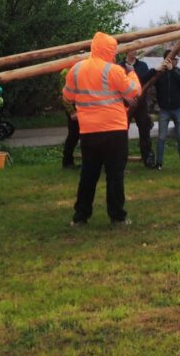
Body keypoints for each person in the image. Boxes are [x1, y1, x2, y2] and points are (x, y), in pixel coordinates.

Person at [63, 32, 139, 225]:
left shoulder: (76, 69)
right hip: (114, 130)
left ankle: (80, 217)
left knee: (88, 175)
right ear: (109, 50)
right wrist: (132, 74)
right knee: (115, 175)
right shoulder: (113, 70)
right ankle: (117, 216)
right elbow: (132, 91)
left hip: (89, 131)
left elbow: (68, 96)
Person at [146, 50, 180, 171]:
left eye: (177, 59)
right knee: (161, 137)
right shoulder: (160, 73)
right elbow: (149, 81)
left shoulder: (179, 71)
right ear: (168, 59)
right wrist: (157, 70)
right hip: (164, 109)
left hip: (178, 108)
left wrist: (172, 70)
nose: (177, 60)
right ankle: (159, 163)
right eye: (175, 58)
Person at [123, 50, 156, 167]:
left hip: (141, 104)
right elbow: (118, 84)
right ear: (127, 51)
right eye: (132, 49)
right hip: (126, 105)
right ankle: (121, 159)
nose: (134, 52)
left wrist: (154, 71)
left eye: (136, 49)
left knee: (144, 130)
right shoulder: (120, 66)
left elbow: (143, 80)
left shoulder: (142, 65)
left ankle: (148, 158)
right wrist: (125, 97)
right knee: (121, 132)